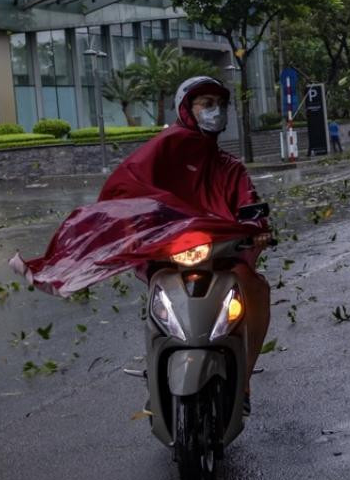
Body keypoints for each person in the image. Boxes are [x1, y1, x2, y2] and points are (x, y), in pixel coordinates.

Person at [15, 76, 271, 413]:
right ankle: (158, 371)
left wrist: (257, 227)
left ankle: (245, 381)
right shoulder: (159, 153)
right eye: (206, 104)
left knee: (255, 289)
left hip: (221, 258)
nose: (215, 112)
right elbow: (128, 190)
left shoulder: (230, 167)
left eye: (220, 105)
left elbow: (249, 206)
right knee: (159, 304)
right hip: (169, 256)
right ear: (187, 110)